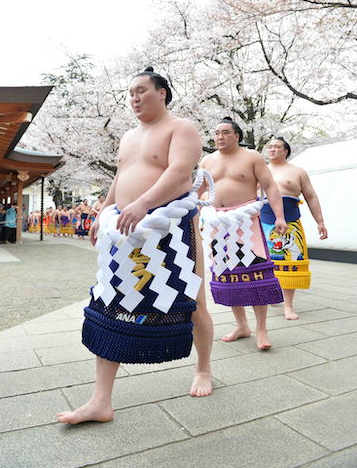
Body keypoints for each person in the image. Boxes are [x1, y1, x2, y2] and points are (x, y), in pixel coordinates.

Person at [58, 67, 214, 425]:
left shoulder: (182, 128)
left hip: (169, 226)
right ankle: (100, 401)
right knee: (111, 303)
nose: (135, 98)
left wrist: (143, 203)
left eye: (141, 90)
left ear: (162, 92)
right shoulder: (128, 136)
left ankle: (203, 368)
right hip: (123, 227)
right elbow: (121, 175)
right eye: (130, 93)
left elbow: (179, 172)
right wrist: (102, 210)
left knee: (194, 302)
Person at [197, 117, 287, 350]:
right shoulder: (207, 161)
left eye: (225, 132)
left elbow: (270, 186)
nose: (220, 137)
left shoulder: (252, 157)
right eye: (216, 133)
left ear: (237, 136)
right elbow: (196, 192)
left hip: (247, 222)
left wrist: (279, 217)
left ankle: (261, 329)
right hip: (217, 224)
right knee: (227, 275)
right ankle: (241, 325)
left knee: (257, 274)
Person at [262, 137, 328, 319]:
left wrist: (320, 222)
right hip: (263, 221)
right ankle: (270, 296)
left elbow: (311, 196)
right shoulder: (261, 170)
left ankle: (288, 305)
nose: (272, 150)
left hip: (290, 223)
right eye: (270, 147)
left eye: (277, 147)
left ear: (286, 151)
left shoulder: (297, 171)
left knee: (290, 262)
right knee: (264, 262)